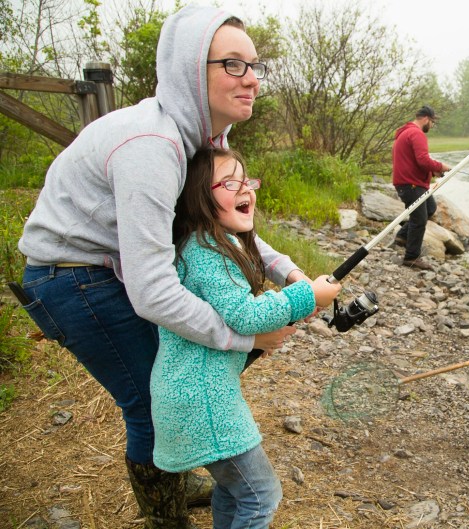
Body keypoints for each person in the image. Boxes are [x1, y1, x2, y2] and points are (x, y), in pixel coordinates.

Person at [16, 5, 306, 527]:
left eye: (255, 65)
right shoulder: (152, 146)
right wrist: (246, 339)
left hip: (111, 266)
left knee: (177, 377)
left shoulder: (204, 140)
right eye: (233, 65)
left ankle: (177, 468)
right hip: (73, 276)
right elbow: (152, 291)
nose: (252, 80)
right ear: (191, 69)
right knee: (151, 401)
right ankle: (165, 517)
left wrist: (289, 271)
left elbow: (219, 226)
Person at [150, 148, 340, 529]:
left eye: (246, 181)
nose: (245, 190)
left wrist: (295, 294)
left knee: (232, 489)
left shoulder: (218, 242)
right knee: (260, 495)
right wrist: (307, 296)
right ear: (199, 198)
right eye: (229, 183)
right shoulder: (207, 251)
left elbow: (240, 309)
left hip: (198, 396)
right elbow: (246, 315)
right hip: (204, 401)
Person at [392, 105, 452, 271]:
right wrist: (441, 166)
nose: (431, 126)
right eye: (432, 122)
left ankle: (403, 236)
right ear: (426, 118)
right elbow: (423, 160)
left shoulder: (406, 132)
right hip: (411, 184)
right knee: (419, 219)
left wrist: (433, 171)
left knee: (430, 208)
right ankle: (411, 257)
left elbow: (414, 162)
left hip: (411, 183)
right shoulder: (416, 133)